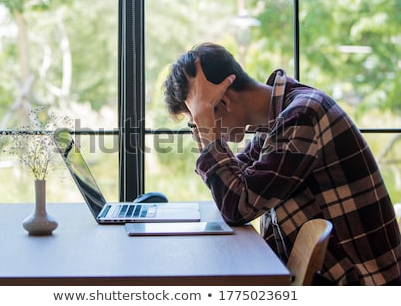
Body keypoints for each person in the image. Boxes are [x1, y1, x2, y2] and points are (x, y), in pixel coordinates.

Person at [163, 42, 401, 285]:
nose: (201, 129)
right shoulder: (276, 122)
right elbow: (234, 187)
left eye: (199, 121)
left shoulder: (303, 116)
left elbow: (237, 206)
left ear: (223, 103)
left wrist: (207, 125)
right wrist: (206, 120)